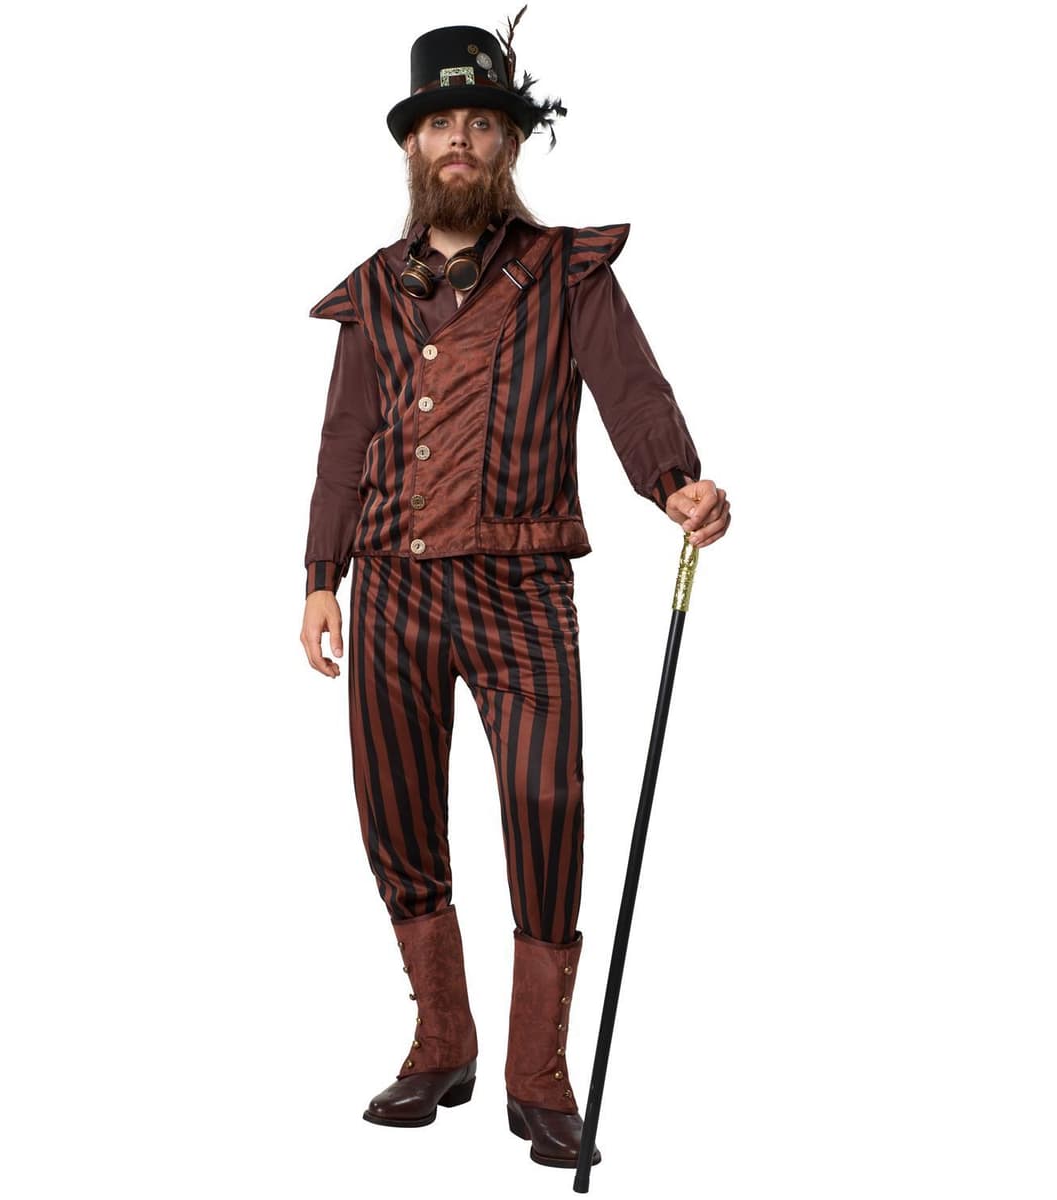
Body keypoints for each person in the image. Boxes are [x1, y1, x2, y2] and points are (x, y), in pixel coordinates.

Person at [299, 11, 731, 1171]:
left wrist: (677, 482)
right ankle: (442, 1041)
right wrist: (321, 577)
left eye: (480, 124)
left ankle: (538, 1074)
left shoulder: (564, 272)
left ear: (510, 143)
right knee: (395, 816)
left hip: (522, 590)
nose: (459, 140)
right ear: (412, 144)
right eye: (440, 122)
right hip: (389, 590)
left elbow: (632, 391)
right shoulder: (373, 293)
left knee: (547, 811)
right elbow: (343, 439)